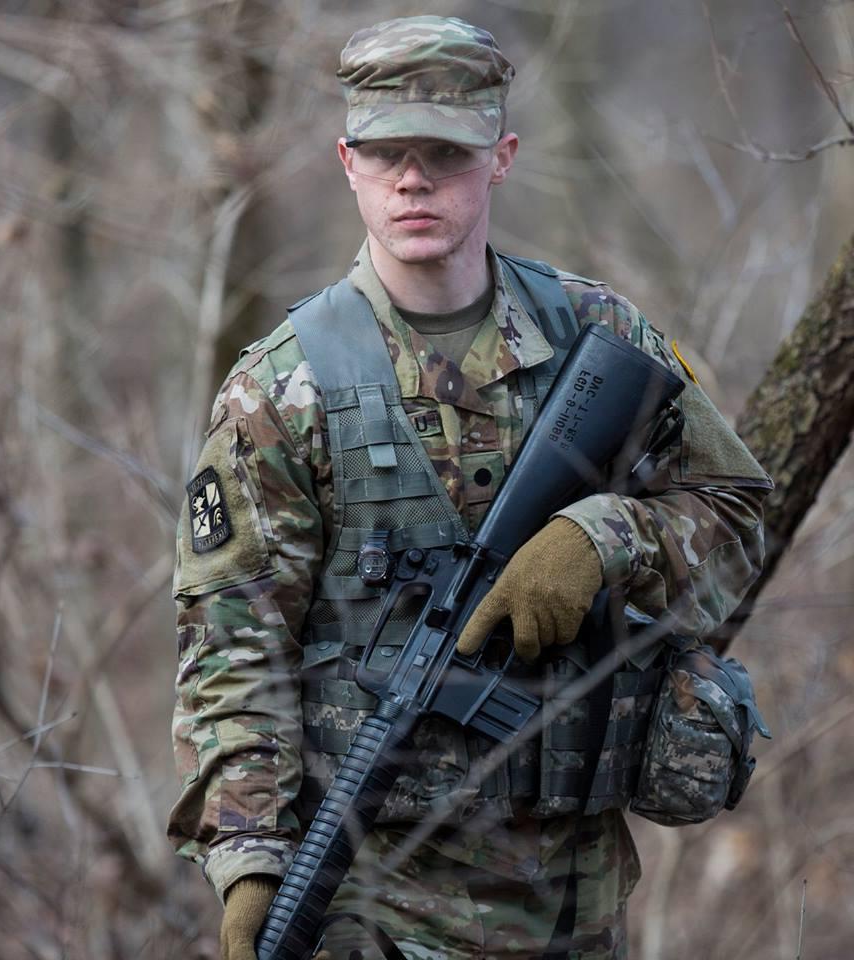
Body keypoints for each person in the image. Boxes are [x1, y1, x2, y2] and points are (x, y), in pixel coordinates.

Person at [169, 15, 772, 960]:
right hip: (370, 911)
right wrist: (248, 863)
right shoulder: (284, 387)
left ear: (501, 157)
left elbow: (736, 517)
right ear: (348, 162)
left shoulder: (596, 336)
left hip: (573, 910)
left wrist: (604, 539)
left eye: (445, 154)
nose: (414, 179)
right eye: (388, 153)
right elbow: (231, 654)